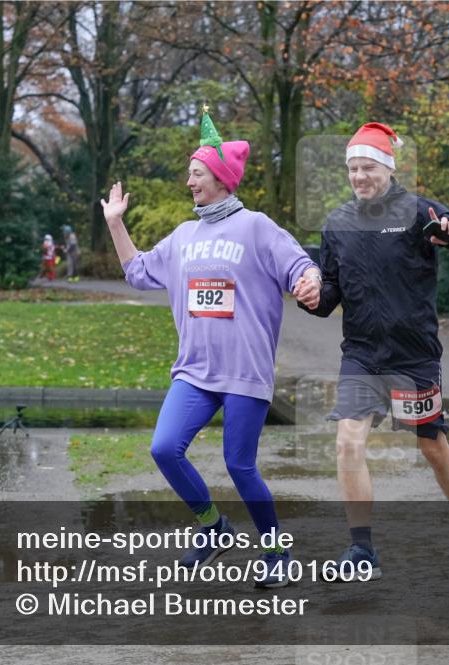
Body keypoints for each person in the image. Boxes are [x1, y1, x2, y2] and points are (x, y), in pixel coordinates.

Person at [100, 108, 321, 588]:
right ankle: (212, 526)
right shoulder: (184, 236)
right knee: (164, 448)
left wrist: (308, 280)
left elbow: (300, 265)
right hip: (195, 372)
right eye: (189, 173)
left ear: (220, 178)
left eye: (196, 173)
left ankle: (277, 552)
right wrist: (116, 223)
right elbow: (138, 273)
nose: (188, 181)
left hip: (244, 371)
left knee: (240, 465)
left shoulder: (257, 228)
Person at [294, 122, 449, 581]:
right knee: (347, 442)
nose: (360, 176)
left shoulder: (419, 211)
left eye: (368, 167)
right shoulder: (337, 224)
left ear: (387, 167)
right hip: (362, 354)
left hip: (414, 355)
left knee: (432, 446)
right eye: (352, 169)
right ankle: (362, 548)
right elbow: (329, 299)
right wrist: (311, 297)